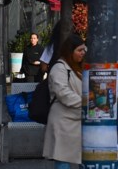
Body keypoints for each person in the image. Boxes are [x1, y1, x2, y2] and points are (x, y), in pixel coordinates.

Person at [43, 33, 85, 169]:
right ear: (70, 51)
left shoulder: (79, 68)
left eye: (84, 50)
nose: (82, 53)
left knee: (79, 158)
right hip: (63, 121)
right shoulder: (59, 68)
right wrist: (85, 102)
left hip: (77, 120)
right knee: (62, 159)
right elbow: (63, 93)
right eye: (79, 50)